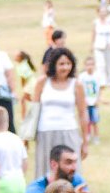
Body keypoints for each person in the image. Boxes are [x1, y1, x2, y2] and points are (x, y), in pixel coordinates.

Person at [30, 47, 85, 181]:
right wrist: (27, 135)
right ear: (54, 65)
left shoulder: (76, 84)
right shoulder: (42, 82)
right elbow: (34, 110)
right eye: (61, 64)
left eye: (68, 64)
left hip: (68, 131)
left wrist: (85, 140)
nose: (65, 67)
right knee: (46, 170)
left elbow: (82, 113)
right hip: (45, 132)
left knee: (70, 170)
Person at [90, 5, 110, 87]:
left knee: (109, 64)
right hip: (99, 43)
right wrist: (92, 45)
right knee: (100, 65)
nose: (103, 13)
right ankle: (102, 82)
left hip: (108, 43)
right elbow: (93, 34)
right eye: (101, 12)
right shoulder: (96, 22)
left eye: (104, 12)